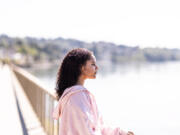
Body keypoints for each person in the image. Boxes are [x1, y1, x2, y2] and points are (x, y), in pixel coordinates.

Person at [52, 48, 134, 135]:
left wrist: (120, 132)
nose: (97, 67)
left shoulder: (80, 94)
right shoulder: (76, 97)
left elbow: (98, 126)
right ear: (82, 68)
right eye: (93, 64)